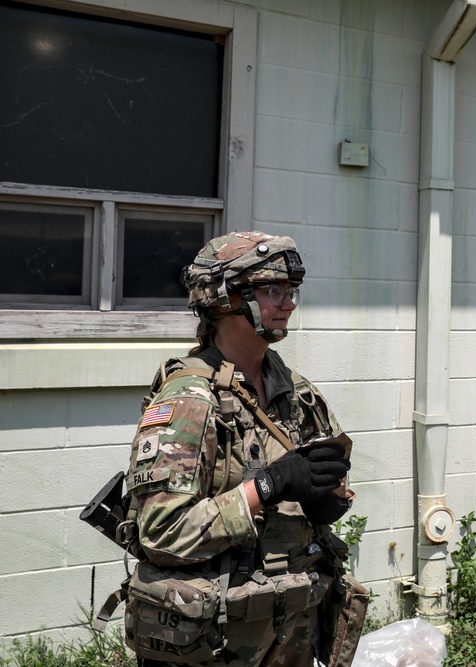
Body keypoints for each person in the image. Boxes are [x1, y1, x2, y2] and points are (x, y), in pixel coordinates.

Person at [120, 231, 358, 667]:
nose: (289, 303)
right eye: (273, 290)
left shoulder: (298, 393)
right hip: (214, 643)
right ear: (225, 300)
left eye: (291, 290)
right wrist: (268, 486)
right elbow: (162, 532)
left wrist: (327, 499)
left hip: (290, 633)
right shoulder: (189, 401)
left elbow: (334, 493)